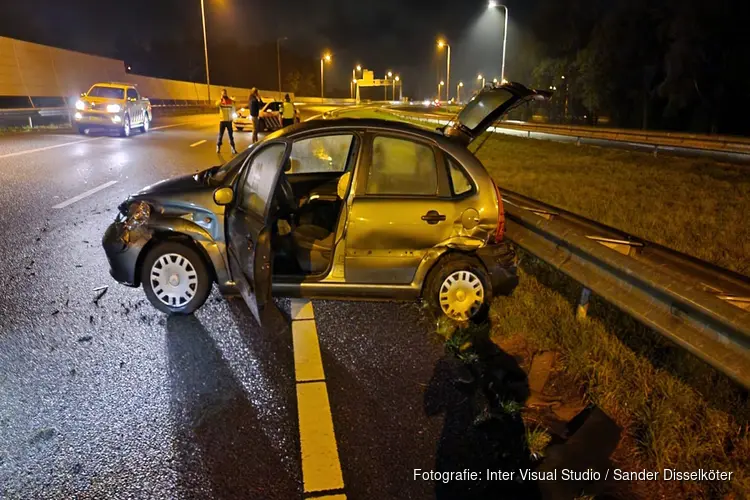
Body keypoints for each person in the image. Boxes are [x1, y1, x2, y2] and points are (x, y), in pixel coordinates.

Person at [216, 89, 237, 154]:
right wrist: (221, 99)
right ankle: (218, 146)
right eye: (222, 94)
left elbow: (233, 108)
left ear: (226, 93)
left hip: (229, 121)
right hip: (222, 121)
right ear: (221, 94)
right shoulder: (220, 102)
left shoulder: (229, 101)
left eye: (224, 93)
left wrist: (233, 117)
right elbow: (216, 105)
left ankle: (233, 148)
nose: (224, 94)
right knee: (220, 135)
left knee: (231, 135)